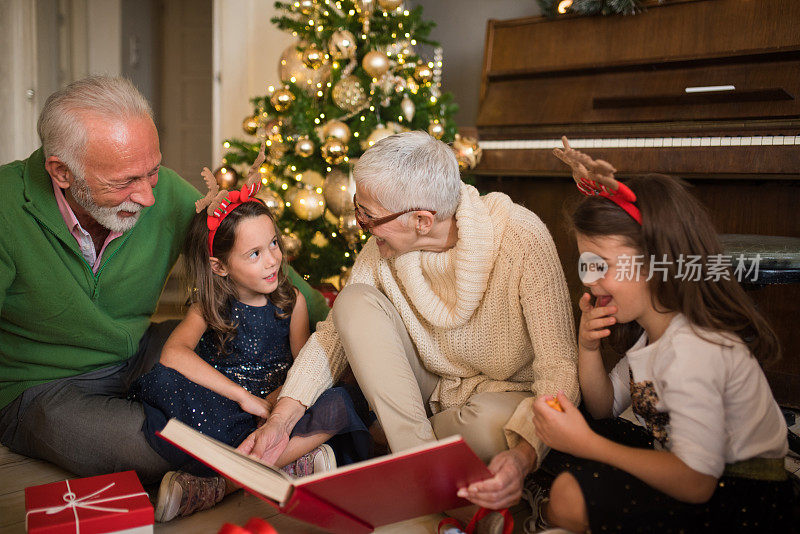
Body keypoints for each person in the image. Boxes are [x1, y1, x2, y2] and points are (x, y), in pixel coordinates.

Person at [0, 76, 329, 488]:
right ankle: (267, 462)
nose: (148, 196)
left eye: (151, 172)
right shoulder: (6, 206)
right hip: (43, 386)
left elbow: (245, 247)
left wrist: (333, 327)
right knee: (159, 446)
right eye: (125, 182)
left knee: (247, 368)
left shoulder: (168, 192)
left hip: (140, 352)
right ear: (62, 172)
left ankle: (242, 463)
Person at [236, 131, 580, 512]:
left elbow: (559, 367)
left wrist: (524, 456)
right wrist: (281, 421)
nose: (360, 223)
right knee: (353, 301)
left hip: (503, 393)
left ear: (421, 219)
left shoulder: (521, 237)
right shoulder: (384, 245)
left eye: (369, 215)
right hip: (428, 389)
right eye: (358, 208)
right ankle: (421, 471)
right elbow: (333, 337)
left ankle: (394, 448)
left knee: (491, 428)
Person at [529, 141, 791, 532]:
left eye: (603, 265)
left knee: (569, 489)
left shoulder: (693, 349)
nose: (590, 280)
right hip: (680, 461)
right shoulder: (654, 332)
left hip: (738, 493)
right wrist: (587, 347)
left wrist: (586, 445)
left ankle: (547, 516)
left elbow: (698, 483)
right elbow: (605, 408)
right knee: (559, 430)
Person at [130, 166, 371, 521]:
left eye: (273, 243)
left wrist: (273, 405)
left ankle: (215, 484)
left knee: (343, 397)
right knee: (164, 381)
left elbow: (305, 367)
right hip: (228, 405)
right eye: (254, 253)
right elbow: (173, 353)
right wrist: (243, 398)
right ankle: (292, 462)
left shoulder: (292, 302)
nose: (273, 259)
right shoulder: (208, 306)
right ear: (220, 266)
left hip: (278, 405)